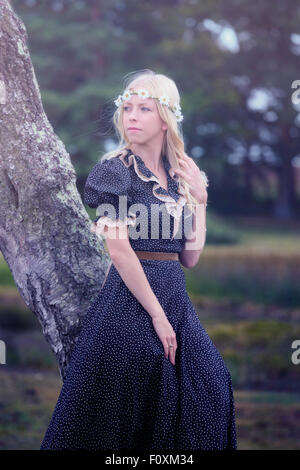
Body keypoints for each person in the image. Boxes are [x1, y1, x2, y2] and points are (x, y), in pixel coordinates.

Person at [40, 70, 237, 450]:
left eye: (144, 108)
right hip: (130, 302)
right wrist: (157, 316)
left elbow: (190, 257)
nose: (131, 116)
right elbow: (119, 249)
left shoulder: (181, 175)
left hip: (175, 298)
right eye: (127, 108)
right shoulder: (114, 171)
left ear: (165, 119)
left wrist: (200, 200)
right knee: (138, 393)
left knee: (210, 381)